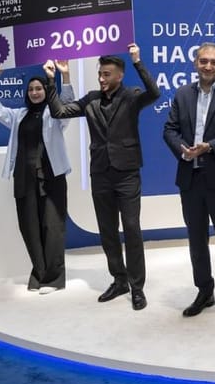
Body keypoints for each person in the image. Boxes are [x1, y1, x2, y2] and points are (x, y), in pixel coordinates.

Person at [46, 44, 159, 310]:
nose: (101, 78)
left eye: (106, 74)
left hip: (127, 173)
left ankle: (137, 287)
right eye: (100, 73)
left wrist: (137, 61)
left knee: (131, 228)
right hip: (100, 174)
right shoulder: (91, 99)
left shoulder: (131, 96)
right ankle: (119, 280)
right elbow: (59, 111)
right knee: (107, 230)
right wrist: (54, 79)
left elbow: (154, 93)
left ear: (120, 75)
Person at [163, 42, 215, 320]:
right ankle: (204, 291)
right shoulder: (182, 93)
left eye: (214, 62)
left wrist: (209, 146)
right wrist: (183, 150)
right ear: (195, 63)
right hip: (190, 177)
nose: (208, 66)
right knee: (196, 239)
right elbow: (170, 129)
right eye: (203, 61)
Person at [0, 62, 73, 293]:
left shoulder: (54, 113)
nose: (34, 92)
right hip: (24, 178)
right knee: (29, 226)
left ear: (45, 90)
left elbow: (67, 105)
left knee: (53, 227)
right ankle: (39, 273)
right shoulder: (18, 115)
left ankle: (53, 279)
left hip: (51, 177)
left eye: (38, 88)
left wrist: (65, 76)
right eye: (31, 89)